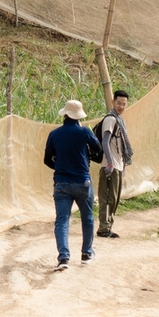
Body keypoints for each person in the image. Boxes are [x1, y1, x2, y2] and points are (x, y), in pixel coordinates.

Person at [44, 99, 102, 271]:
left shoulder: (54, 134)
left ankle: (63, 258)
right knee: (88, 217)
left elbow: (47, 159)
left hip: (61, 182)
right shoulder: (84, 132)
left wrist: (61, 167)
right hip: (82, 182)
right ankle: (86, 253)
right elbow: (98, 149)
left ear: (65, 115)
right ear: (78, 116)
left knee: (62, 221)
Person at [94, 89, 133, 239]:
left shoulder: (119, 120)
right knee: (108, 197)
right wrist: (110, 163)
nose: (121, 106)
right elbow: (105, 141)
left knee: (114, 198)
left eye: (124, 104)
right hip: (109, 165)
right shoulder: (110, 119)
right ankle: (104, 228)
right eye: (119, 103)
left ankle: (108, 226)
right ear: (113, 101)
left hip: (118, 164)